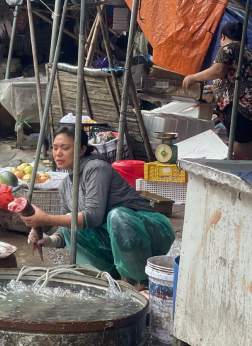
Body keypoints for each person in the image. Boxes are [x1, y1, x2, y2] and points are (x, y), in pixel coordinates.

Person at [13, 126, 175, 283]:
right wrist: (50, 240)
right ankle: (108, 279)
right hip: (114, 240)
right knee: (71, 220)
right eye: (55, 148)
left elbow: (94, 216)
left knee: (117, 216)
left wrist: (47, 218)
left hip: (151, 232)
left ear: (82, 150)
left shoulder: (97, 168)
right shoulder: (65, 186)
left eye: (65, 148)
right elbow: (67, 229)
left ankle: (140, 281)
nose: (58, 153)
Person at [183, 22, 252, 159]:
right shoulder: (246, 51)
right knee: (246, 139)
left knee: (239, 140)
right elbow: (238, 77)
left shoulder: (228, 48)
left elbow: (218, 70)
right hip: (247, 103)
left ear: (223, 36)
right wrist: (215, 88)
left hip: (238, 105)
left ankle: (238, 171)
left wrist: (194, 77)